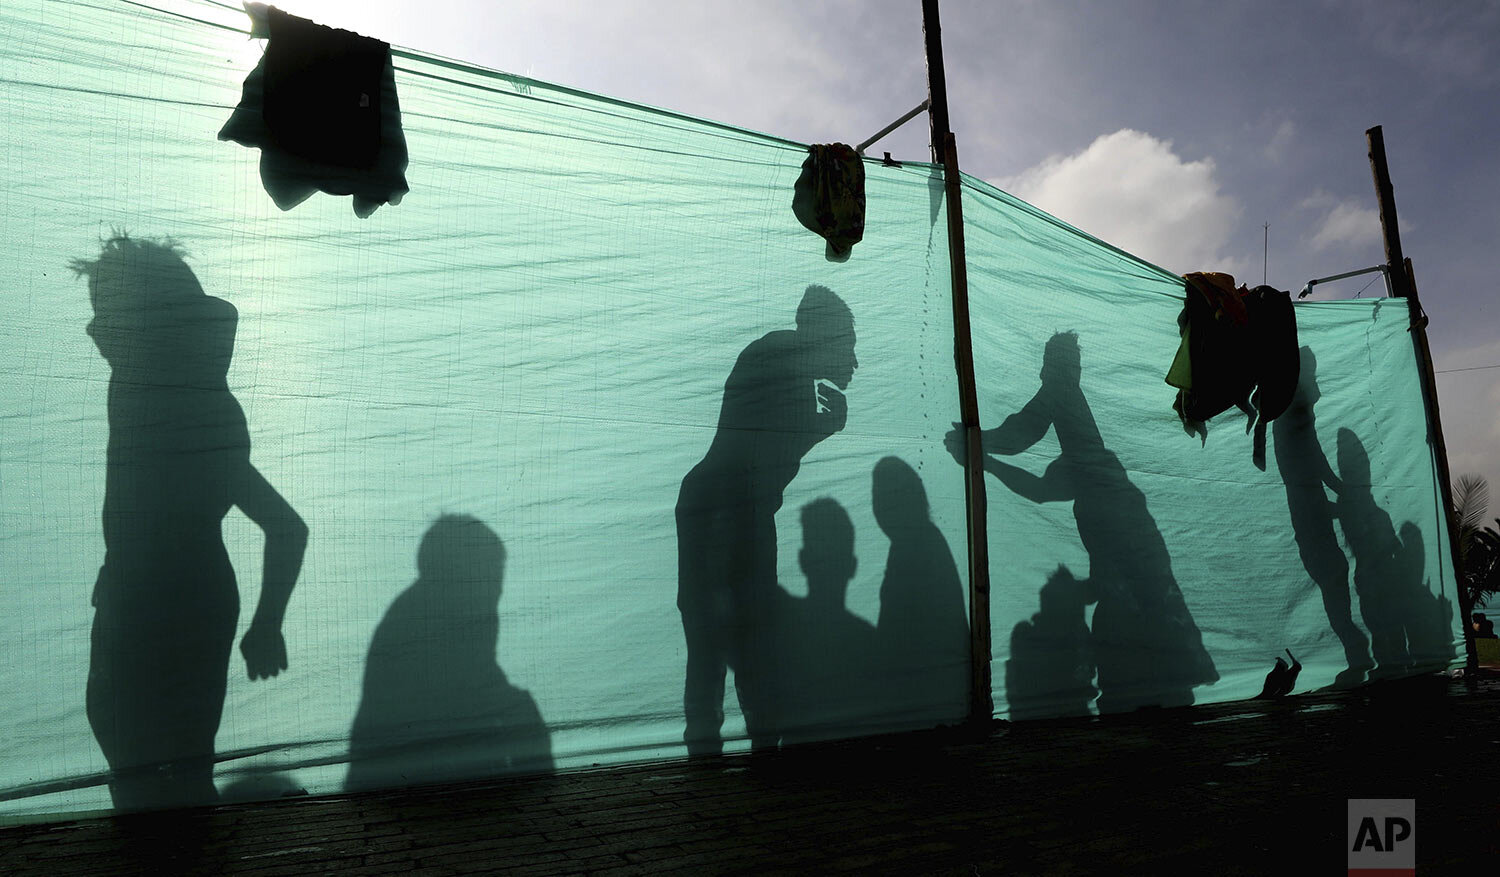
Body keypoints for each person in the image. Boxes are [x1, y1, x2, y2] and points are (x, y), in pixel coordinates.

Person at [74, 234, 306, 809]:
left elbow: (285, 525)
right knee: (160, 763)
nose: (95, 330)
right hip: (162, 595)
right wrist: (265, 624)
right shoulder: (153, 392)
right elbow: (284, 525)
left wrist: (267, 623)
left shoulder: (182, 403)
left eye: (109, 313)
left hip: (164, 602)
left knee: (151, 767)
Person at [676, 285, 857, 755]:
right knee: (736, 637)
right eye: (847, 344)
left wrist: (818, 428)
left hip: (727, 509)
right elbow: (769, 455)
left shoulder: (780, 359)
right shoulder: (782, 359)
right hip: (726, 511)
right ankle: (748, 751)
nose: (853, 361)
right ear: (822, 335)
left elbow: (771, 452)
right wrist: (821, 428)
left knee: (725, 639)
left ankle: (730, 752)